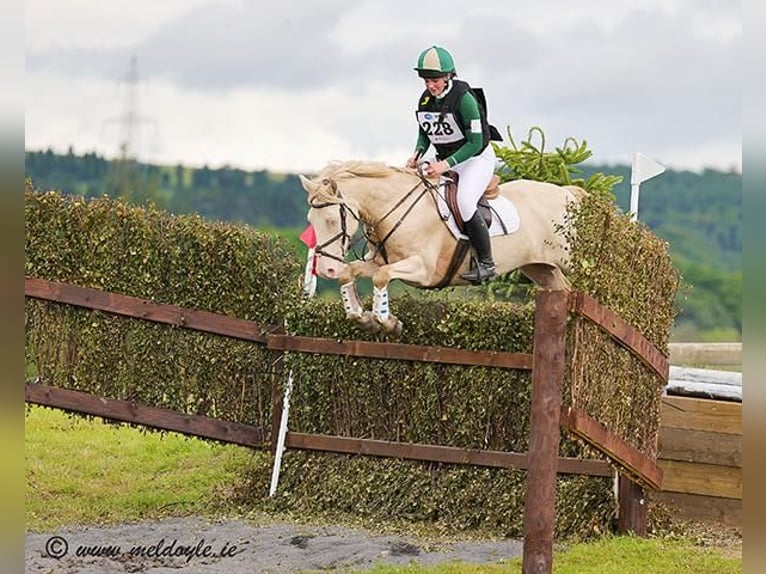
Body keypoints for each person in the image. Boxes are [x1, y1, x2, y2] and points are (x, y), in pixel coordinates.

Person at [406, 45, 500, 284]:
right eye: (426, 80)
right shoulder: (426, 100)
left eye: (435, 80)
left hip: (476, 158)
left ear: (448, 76)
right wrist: (417, 154)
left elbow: (476, 141)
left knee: (465, 201)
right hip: (448, 160)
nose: (430, 85)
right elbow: (424, 133)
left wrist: (445, 164)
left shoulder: (464, 99)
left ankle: (487, 263)